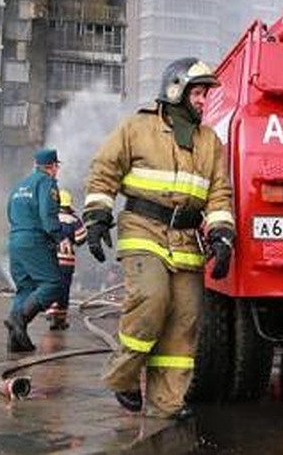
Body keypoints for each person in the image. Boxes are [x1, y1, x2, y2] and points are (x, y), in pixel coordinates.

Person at [82, 57, 236, 420]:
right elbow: (104, 170)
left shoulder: (210, 142)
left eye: (204, 94)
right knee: (152, 298)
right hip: (143, 229)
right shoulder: (137, 127)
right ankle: (123, 377)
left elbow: (219, 195)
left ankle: (166, 404)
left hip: (185, 239)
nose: (202, 100)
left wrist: (222, 235)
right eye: (197, 92)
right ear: (175, 89)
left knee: (185, 320)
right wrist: (97, 216)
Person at [4, 148, 65, 353]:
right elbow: (48, 214)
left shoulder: (19, 185)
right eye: (57, 167)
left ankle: (15, 341)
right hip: (34, 239)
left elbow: (9, 214)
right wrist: (58, 237)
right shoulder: (46, 183)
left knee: (25, 288)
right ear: (53, 166)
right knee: (54, 283)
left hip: (15, 240)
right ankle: (18, 319)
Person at [46, 189, 87, 330]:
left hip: (49, 259)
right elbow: (81, 239)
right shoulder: (74, 220)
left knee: (49, 286)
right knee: (63, 289)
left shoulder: (49, 217)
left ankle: (51, 313)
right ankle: (60, 320)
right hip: (66, 261)